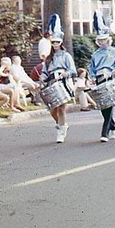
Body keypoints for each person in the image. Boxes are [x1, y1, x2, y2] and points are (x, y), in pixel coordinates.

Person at [88, 11, 115, 142]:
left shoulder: (114, 52)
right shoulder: (95, 54)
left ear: (108, 40)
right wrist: (91, 77)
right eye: (100, 40)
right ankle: (113, 127)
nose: (103, 42)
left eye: (104, 40)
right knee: (103, 106)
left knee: (109, 104)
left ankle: (105, 132)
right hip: (99, 80)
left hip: (110, 79)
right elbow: (91, 68)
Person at [40, 14, 76, 143]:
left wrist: (65, 74)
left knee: (61, 108)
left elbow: (73, 70)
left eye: (57, 42)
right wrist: (43, 78)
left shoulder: (66, 56)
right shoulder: (49, 58)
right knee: (52, 109)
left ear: (61, 42)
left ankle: (60, 131)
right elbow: (45, 72)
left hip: (63, 82)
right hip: (52, 82)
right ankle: (62, 125)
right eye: (53, 42)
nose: (55, 44)